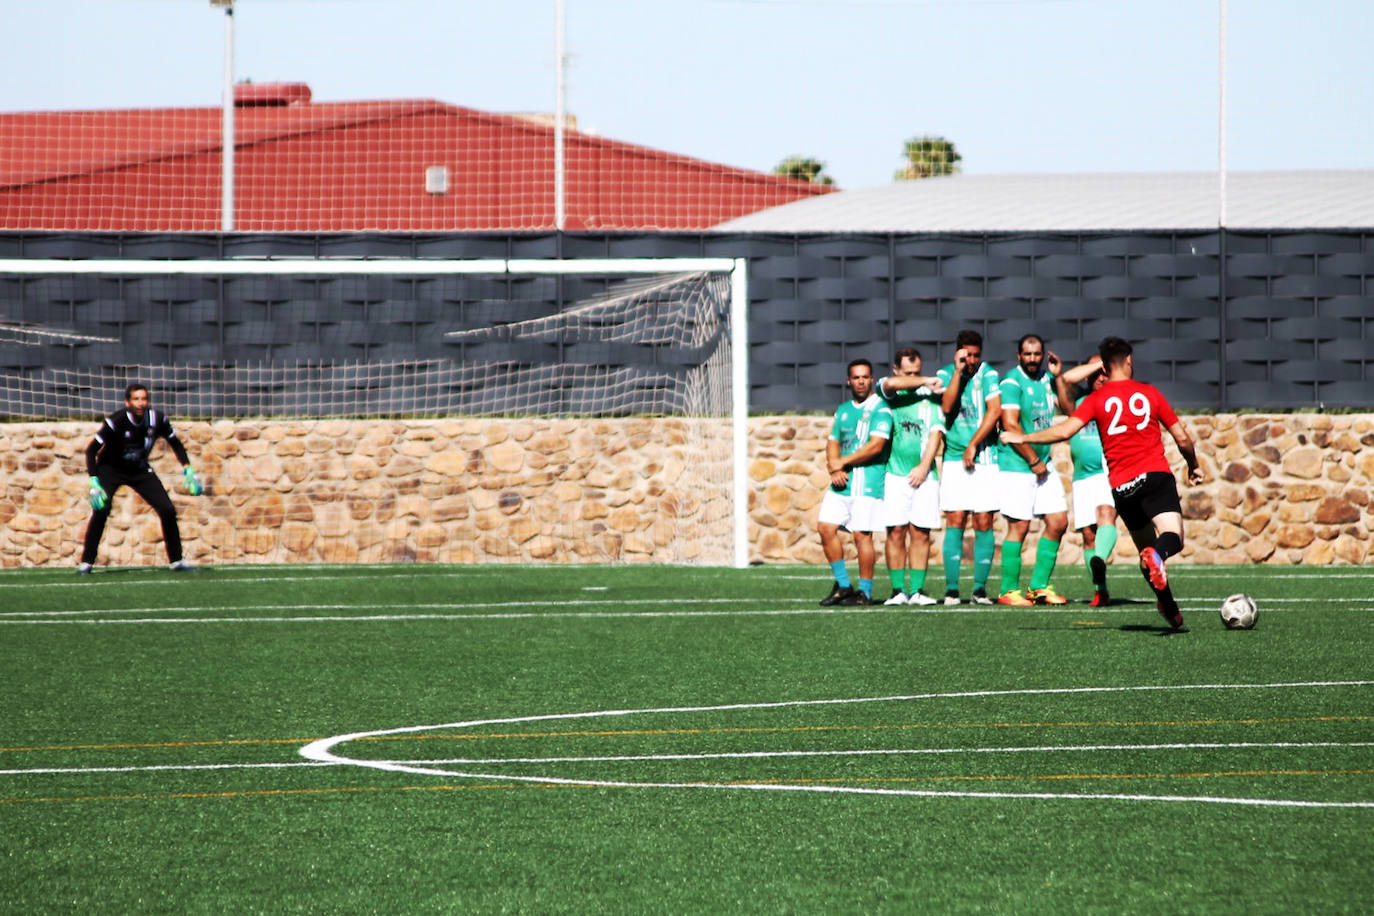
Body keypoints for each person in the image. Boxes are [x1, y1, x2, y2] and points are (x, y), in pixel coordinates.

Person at [1001, 337, 1204, 629]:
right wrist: (1193, 466)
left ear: (1105, 368)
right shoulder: (1149, 393)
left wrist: (1023, 437)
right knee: (1172, 537)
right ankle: (1160, 558)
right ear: (1130, 361)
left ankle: (1169, 608)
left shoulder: (1096, 399)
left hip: (1122, 488)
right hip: (1155, 476)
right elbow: (1182, 437)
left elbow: (1064, 431)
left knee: (1146, 555)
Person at [79, 383, 203, 574]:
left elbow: (175, 443)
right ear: (127, 402)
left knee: (167, 509)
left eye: (144, 399)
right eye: (136, 399)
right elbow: (91, 450)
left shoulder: (156, 419)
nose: (140, 403)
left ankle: (177, 561)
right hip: (111, 470)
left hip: (139, 470)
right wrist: (94, 481)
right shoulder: (116, 421)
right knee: (102, 509)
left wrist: (188, 469)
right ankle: (86, 563)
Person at [994, 334, 1069, 607]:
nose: (1033, 359)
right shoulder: (1011, 382)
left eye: (1037, 354)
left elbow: (1070, 410)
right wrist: (1033, 461)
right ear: (1019, 356)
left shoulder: (1047, 380)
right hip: (1017, 465)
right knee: (1019, 527)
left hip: (1043, 464)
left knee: (1059, 522)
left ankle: (1038, 587)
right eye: (1027, 354)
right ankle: (1007, 591)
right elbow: (1011, 426)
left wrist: (1059, 377)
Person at [818, 359, 894, 606]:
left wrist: (842, 462)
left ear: (871, 379)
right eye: (856, 377)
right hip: (842, 482)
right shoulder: (843, 410)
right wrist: (834, 467)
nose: (861, 381)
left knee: (862, 535)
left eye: (865, 377)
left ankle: (865, 592)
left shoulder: (881, 409)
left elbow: (876, 446)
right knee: (825, 528)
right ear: (848, 381)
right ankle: (843, 585)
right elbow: (833, 442)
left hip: (867, 482)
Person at [875, 347, 947, 606]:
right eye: (909, 373)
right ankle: (897, 591)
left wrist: (924, 466)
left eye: (918, 372)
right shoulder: (888, 391)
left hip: (925, 475)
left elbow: (936, 433)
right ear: (896, 370)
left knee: (921, 532)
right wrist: (926, 380)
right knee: (895, 531)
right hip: (894, 474)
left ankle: (916, 590)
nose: (915, 377)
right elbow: (892, 384)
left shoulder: (930, 398)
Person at [935, 329, 1000, 606]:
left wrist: (974, 443)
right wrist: (958, 374)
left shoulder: (989, 374)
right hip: (953, 460)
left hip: (985, 458)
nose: (971, 360)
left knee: (984, 520)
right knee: (956, 519)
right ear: (958, 353)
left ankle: (979, 589)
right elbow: (947, 407)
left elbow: (994, 410)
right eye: (966, 355)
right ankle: (951, 590)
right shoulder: (945, 373)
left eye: (975, 355)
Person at [1056, 354, 1118, 607]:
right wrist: (1095, 365)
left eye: (1105, 371)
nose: (1101, 377)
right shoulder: (1079, 401)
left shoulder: (1116, 399)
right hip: (1082, 477)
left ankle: (1100, 559)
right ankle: (1100, 589)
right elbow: (1064, 393)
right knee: (1088, 535)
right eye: (1096, 373)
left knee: (1106, 513)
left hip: (1107, 471)